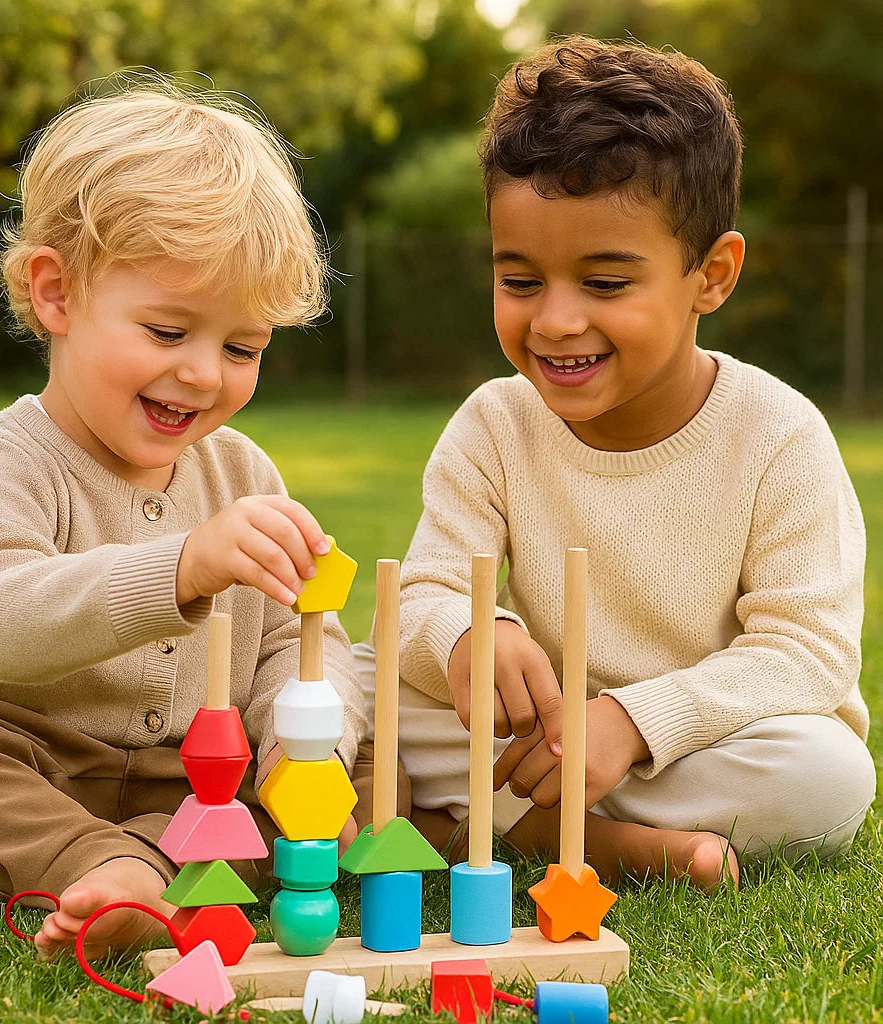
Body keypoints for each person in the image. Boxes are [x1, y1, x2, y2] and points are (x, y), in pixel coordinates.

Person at [354, 36, 874, 889]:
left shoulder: (779, 436)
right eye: (520, 281)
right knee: (356, 682)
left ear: (711, 275)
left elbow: (806, 655)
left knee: (828, 774)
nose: (555, 321)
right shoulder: (494, 423)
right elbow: (424, 594)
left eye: (604, 284)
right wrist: (468, 634)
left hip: (690, 743)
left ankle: (482, 830)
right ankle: (577, 840)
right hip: (534, 731)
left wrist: (636, 721)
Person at [0, 84, 366, 958]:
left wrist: (302, 746)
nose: (206, 374)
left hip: (196, 780)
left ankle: (164, 862)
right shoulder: (2, 458)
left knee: (361, 765)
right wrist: (179, 570)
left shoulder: (246, 473)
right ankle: (102, 866)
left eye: (242, 348)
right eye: (168, 332)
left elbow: (301, 639)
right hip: (26, 756)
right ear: (56, 294)